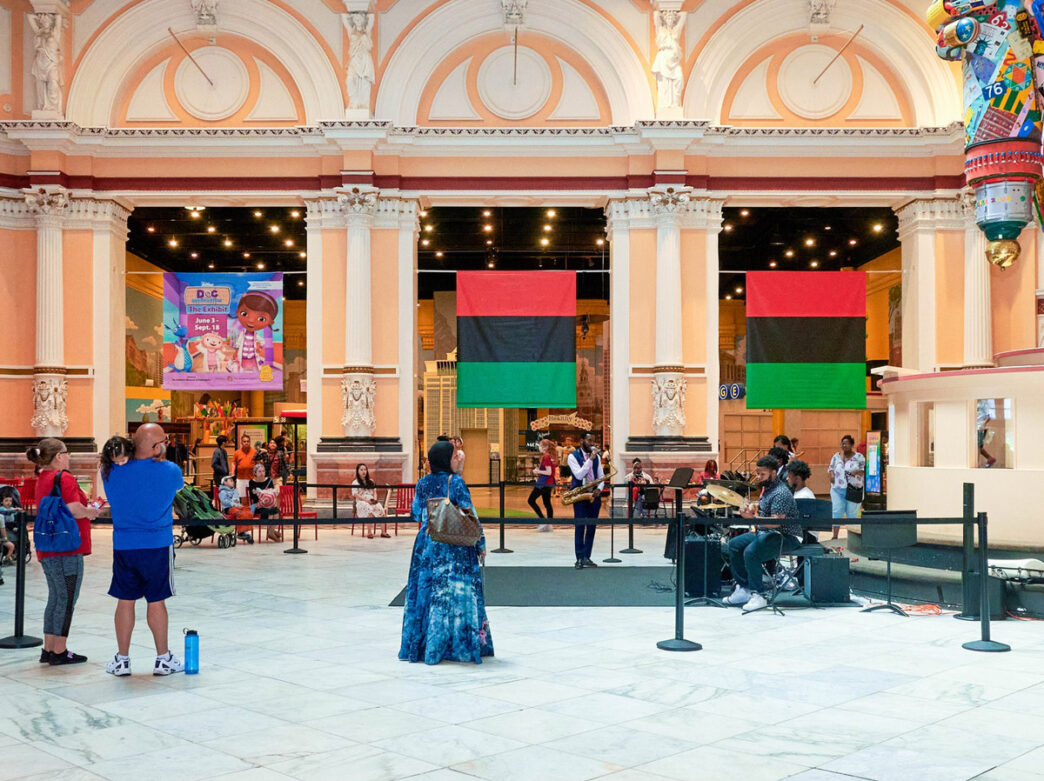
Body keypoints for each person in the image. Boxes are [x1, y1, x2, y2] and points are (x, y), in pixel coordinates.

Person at [102, 423, 186, 677]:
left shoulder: (110, 472)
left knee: (125, 601)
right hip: (157, 545)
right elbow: (179, 490)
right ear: (155, 446)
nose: (168, 443)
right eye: (165, 440)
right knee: (156, 601)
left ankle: (122, 659)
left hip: (125, 545)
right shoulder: (170, 471)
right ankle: (163, 658)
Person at [399, 440, 493, 665]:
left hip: (427, 544)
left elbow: (415, 513)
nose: (457, 459)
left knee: (429, 593)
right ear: (445, 460)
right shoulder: (456, 482)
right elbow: (471, 515)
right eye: (454, 457)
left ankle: (426, 646)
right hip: (454, 545)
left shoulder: (422, 483)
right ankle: (457, 644)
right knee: (455, 595)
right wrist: (480, 543)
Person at [27, 438, 100, 666]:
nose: (69, 457)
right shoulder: (64, 477)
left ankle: (48, 648)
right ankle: (60, 650)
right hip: (68, 547)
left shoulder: (42, 479)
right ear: (58, 455)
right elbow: (73, 509)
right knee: (67, 598)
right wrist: (90, 512)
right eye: (66, 453)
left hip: (48, 546)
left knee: (55, 597)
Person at [724, 455, 801, 613]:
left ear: (773, 473)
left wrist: (752, 518)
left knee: (751, 552)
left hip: (788, 536)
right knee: (733, 545)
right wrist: (753, 509)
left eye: (762, 474)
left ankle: (758, 594)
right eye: (757, 473)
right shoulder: (768, 489)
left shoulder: (780, 492)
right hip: (769, 532)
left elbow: (776, 523)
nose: (758, 477)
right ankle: (744, 588)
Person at [568, 431, 604, 569]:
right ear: (581, 440)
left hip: (594, 496)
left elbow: (601, 477)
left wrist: (599, 489)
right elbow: (579, 474)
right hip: (580, 495)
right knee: (580, 527)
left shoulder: (597, 458)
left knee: (591, 527)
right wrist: (590, 459)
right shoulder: (572, 456)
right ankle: (579, 558)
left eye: (593, 441)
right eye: (589, 441)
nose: (592, 444)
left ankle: (587, 556)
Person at [828, 434, 865, 538]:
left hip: (853, 489)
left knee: (851, 514)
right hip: (837, 489)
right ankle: (835, 536)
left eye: (847, 443)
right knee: (836, 511)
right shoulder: (836, 456)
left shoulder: (859, 457)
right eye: (843, 443)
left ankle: (852, 537)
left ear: (852, 444)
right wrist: (831, 475)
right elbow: (830, 468)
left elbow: (865, 470)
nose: (844, 446)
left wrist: (857, 471)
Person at [527, 438, 557, 532]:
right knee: (547, 503)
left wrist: (537, 471)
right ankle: (549, 523)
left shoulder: (546, 456)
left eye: (541, 445)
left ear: (545, 447)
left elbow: (548, 472)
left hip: (544, 483)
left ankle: (543, 520)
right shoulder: (551, 456)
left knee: (531, 500)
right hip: (549, 483)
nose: (539, 447)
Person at [353, 463, 388, 539]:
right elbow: (355, 494)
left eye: (365, 469)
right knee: (368, 508)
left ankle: (383, 532)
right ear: (358, 471)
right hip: (362, 501)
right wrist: (366, 500)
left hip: (371, 500)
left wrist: (375, 500)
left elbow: (375, 492)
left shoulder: (371, 481)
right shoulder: (355, 482)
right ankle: (369, 532)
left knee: (380, 507)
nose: (363, 471)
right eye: (361, 470)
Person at [249, 462, 281, 542]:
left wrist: (263, 493)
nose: (262, 473)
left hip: (269, 504)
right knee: (269, 511)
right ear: (255, 473)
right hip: (259, 505)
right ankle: (272, 532)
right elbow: (252, 497)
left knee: (276, 511)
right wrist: (261, 495)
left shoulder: (269, 480)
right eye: (259, 471)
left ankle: (271, 532)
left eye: (263, 471)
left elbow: (272, 493)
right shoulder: (252, 482)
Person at [231, 433, 255, 500]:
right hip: (240, 479)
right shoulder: (237, 453)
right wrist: (232, 473)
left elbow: (258, 464)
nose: (246, 443)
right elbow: (233, 463)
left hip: (252, 478)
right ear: (241, 442)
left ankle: (251, 509)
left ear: (250, 442)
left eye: (248, 441)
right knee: (242, 497)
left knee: (252, 497)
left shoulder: (254, 452)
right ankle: (244, 510)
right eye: (244, 441)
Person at [977, 399, 997, 467]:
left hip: (980, 427)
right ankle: (990, 458)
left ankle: (976, 464)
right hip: (973, 428)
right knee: (977, 446)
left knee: (978, 447)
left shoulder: (983, 402)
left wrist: (983, 424)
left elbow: (989, 416)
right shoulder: (973, 402)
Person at [0, 496, 19, 566]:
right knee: (11, 545)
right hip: (6, 527)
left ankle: (9, 557)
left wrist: (18, 510)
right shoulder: (2, 510)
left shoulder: (11, 509)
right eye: (6, 501)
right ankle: (7, 559)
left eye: (10, 501)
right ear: (2, 502)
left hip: (10, 526)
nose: (8, 503)